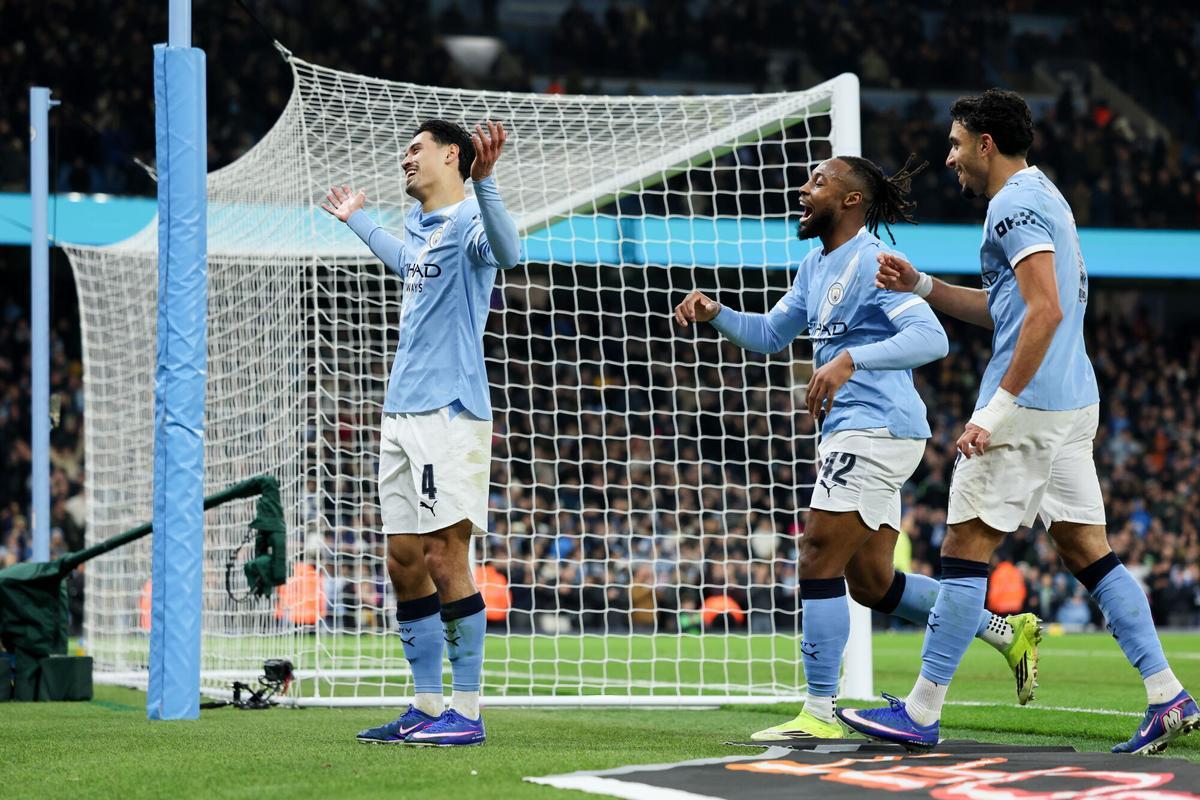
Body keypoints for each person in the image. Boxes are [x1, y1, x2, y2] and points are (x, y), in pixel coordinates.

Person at [838, 89, 1198, 755]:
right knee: (1089, 551)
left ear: (984, 143)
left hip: (1029, 406)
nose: (948, 158)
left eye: (954, 143)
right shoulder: (1044, 198)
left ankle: (920, 712)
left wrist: (993, 411)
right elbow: (1012, 308)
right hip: (1070, 400)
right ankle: (1167, 696)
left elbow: (1044, 311)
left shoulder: (1013, 205)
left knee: (964, 550)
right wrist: (921, 286)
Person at [673, 154, 1040, 742]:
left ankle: (820, 714)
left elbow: (932, 337)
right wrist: (717, 313)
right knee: (872, 583)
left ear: (850, 200)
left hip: (876, 429)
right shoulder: (815, 265)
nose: (803, 187)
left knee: (817, 550)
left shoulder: (872, 261)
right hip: (860, 430)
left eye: (818, 180)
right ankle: (1003, 630)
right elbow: (772, 335)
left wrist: (850, 359)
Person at [322, 119, 520, 746]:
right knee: (404, 560)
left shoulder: (468, 223)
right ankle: (428, 705)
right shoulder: (422, 229)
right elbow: (405, 260)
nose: (405, 160)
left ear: (451, 156)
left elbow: (510, 253)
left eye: (416, 150)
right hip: (401, 412)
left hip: (449, 411)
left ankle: (468, 711)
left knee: (444, 555)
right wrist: (357, 219)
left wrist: (486, 187)